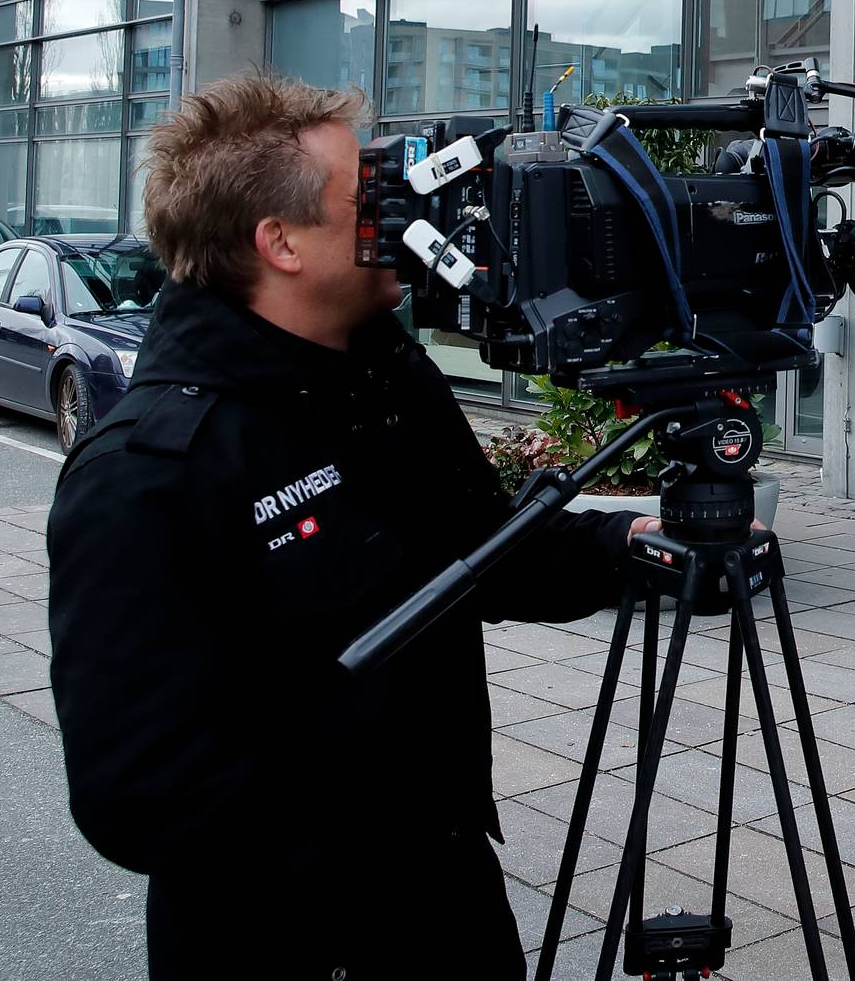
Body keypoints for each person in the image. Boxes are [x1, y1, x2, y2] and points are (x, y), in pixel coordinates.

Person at [47, 71, 648, 978]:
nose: (406, 210)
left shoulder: (387, 377)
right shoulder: (148, 471)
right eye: (372, 197)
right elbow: (133, 795)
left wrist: (629, 550)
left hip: (448, 900)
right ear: (279, 242)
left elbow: (482, 551)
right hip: (292, 943)